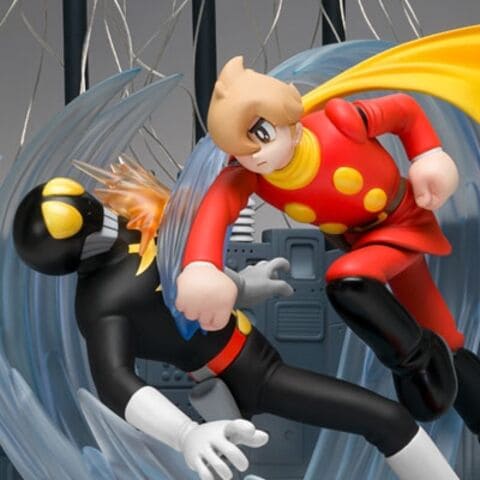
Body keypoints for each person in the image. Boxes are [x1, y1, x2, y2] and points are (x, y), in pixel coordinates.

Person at [13, 165, 458, 480]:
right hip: (245, 378)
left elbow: (186, 273)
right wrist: (186, 434)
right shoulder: (102, 304)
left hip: (246, 358)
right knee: (387, 419)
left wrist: (243, 284)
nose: (102, 217)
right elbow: (114, 382)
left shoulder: (135, 225)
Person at [175, 52, 480, 435]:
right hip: (364, 243)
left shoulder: (340, 122)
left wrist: (429, 155)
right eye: (237, 149)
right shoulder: (250, 176)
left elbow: (404, 110)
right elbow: (216, 208)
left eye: (260, 134)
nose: (254, 156)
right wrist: (200, 265)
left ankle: (417, 364)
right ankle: (434, 369)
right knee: (439, 331)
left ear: (287, 117)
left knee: (353, 283)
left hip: (402, 220)